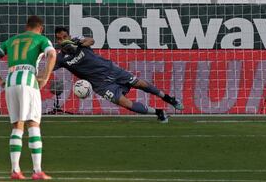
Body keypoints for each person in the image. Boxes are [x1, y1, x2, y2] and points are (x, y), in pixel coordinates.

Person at [53, 27, 184, 122]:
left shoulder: (78, 41)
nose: (63, 40)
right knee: (126, 104)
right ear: (57, 41)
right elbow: (47, 69)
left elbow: (91, 40)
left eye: (65, 37)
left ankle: (168, 98)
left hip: (111, 70)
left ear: (69, 36)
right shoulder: (59, 58)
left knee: (140, 83)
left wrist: (77, 43)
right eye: (59, 39)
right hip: (100, 85)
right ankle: (159, 112)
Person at [0, 16, 56, 180]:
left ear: (27, 26)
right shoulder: (41, 39)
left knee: (17, 125)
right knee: (33, 123)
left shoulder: (11, 40)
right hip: (28, 80)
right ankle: (37, 170)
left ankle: (15, 170)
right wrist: (45, 78)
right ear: (40, 28)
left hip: (11, 80)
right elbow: (52, 55)